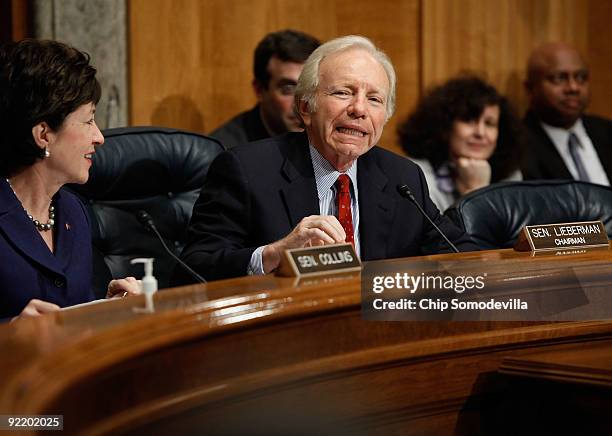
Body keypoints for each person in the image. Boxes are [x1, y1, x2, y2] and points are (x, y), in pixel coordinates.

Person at [174, 35, 476, 284]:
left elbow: (459, 252)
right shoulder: (247, 170)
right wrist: (274, 254)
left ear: (385, 117)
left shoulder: (402, 178)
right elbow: (192, 269)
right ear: (305, 108)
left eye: (374, 99)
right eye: (343, 93)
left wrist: (516, 253)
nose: (359, 109)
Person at [0, 39, 139, 321]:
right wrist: (10, 332)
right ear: (43, 135)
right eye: (88, 121)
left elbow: (68, 311)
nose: (99, 137)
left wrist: (106, 309)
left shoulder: (73, 210)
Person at [398, 76, 523, 211]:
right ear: (445, 126)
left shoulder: (511, 177)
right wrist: (474, 191)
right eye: (468, 120)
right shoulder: (417, 175)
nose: (480, 133)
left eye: (489, 123)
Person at [209, 29, 320, 149]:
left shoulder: (332, 140)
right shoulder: (225, 151)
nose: (303, 103)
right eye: (288, 88)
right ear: (259, 90)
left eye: (311, 86)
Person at [522, 42, 612, 185]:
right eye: (560, 78)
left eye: (581, 77)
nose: (573, 88)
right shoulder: (518, 146)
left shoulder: (607, 131)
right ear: (530, 89)